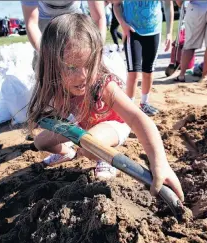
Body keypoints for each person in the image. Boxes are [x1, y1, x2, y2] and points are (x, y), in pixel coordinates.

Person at [27, 13, 184, 201]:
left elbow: (137, 118)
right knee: (40, 143)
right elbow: (55, 117)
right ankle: (68, 153)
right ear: (53, 64)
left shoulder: (103, 84)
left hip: (114, 126)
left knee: (89, 145)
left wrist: (160, 163)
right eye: (71, 67)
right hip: (83, 130)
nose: (82, 76)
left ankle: (104, 159)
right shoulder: (57, 85)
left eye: (88, 65)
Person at [113, 0, 173, 116]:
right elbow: (116, 4)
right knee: (134, 73)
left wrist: (169, 33)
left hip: (154, 31)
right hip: (132, 32)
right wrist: (123, 24)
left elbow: (168, 3)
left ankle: (144, 104)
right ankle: (129, 109)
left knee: (148, 71)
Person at [21, 1, 107, 53]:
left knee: (80, 51)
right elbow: (32, 23)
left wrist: (96, 51)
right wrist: (44, 54)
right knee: (43, 63)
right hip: (45, 18)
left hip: (73, 14)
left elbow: (98, 18)